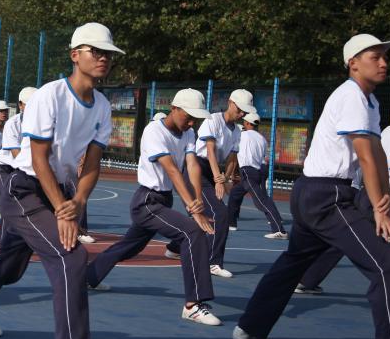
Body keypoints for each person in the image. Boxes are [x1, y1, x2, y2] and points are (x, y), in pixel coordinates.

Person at [233, 34, 390, 339]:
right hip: (327, 196)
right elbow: (364, 155)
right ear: (353, 63)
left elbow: (376, 153)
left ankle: (250, 326)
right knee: (388, 267)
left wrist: (380, 200)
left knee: (294, 260)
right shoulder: (351, 97)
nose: (384, 62)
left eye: (385, 57)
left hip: (315, 192)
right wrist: (381, 208)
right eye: (375, 57)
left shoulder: (370, 101)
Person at [0, 23, 122, 339]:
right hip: (23, 187)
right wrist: (62, 210)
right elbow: (39, 158)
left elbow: (92, 164)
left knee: (10, 266)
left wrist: (77, 203)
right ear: (75, 55)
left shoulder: (102, 106)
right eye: (96, 51)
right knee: (71, 257)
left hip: (55, 190)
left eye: (108, 53)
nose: (104, 58)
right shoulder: (50, 96)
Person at [86, 89, 220, 326]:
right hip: (147, 202)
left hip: (163, 200)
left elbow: (192, 165)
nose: (192, 122)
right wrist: (194, 210)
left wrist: (198, 199)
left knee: (129, 247)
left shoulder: (188, 132)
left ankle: (88, 277)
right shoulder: (154, 131)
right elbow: (172, 169)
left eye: (196, 119)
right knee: (192, 232)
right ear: (174, 108)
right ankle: (193, 305)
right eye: (189, 116)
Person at [165, 89, 255, 278]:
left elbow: (232, 158)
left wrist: (226, 178)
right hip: (197, 169)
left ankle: (174, 248)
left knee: (203, 215)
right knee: (220, 214)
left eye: (245, 111)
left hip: (212, 172)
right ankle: (214, 262)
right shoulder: (213, 120)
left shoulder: (237, 131)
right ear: (230, 103)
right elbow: (210, 150)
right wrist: (217, 179)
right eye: (239, 109)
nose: (241, 114)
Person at [226, 112, 287, 239]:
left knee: (261, 201)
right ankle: (231, 223)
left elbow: (233, 154)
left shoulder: (241, 135)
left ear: (247, 123)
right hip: (259, 170)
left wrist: (230, 174)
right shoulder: (262, 139)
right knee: (235, 194)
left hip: (248, 172)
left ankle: (279, 230)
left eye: (244, 121)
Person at [0, 88, 37, 220]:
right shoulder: (12, 124)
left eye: (36, 104)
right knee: (11, 197)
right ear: (20, 105)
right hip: (3, 167)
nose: (32, 108)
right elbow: (17, 156)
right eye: (28, 104)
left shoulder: (42, 124)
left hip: (23, 167)